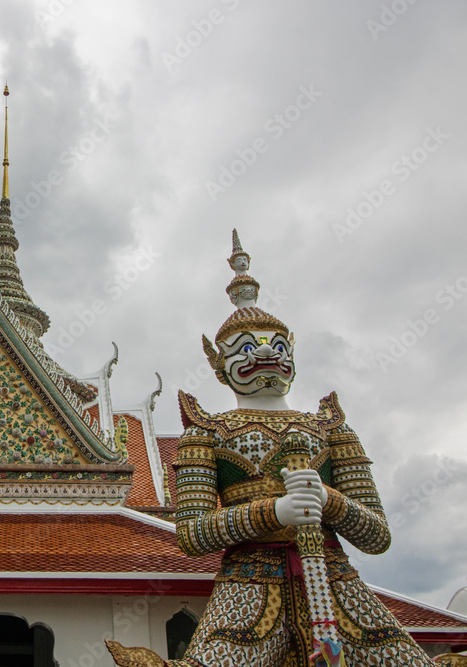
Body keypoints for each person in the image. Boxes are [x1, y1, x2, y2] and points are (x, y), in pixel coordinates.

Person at [108, 230, 437, 666]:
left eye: (277, 346)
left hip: (334, 579)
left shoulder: (330, 427)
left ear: (292, 356)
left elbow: (376, 535)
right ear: (220, 366)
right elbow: (191, 535)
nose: (264, 352)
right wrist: (274, 513)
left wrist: (328, 500)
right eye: (246, 348)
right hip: (249, 583)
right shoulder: (206, 432)